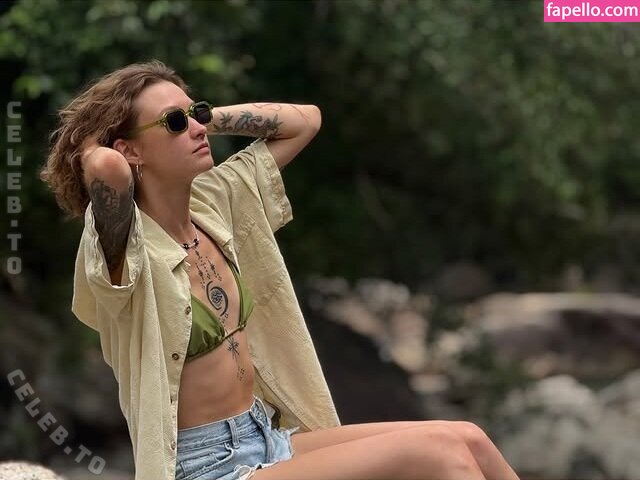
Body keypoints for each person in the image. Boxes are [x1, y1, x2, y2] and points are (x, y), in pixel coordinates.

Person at [40, 60, 520, 480]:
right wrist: (88, 145)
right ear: (130, 150)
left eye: (196, 114)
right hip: (205, 467)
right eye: (174, 123)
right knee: (440, 456)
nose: (197, 128)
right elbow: (108, 171)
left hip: (266, 437)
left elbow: (305, 121)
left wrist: (202, 117)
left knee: (467, 437)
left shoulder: (216, 201)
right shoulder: (122, 248)